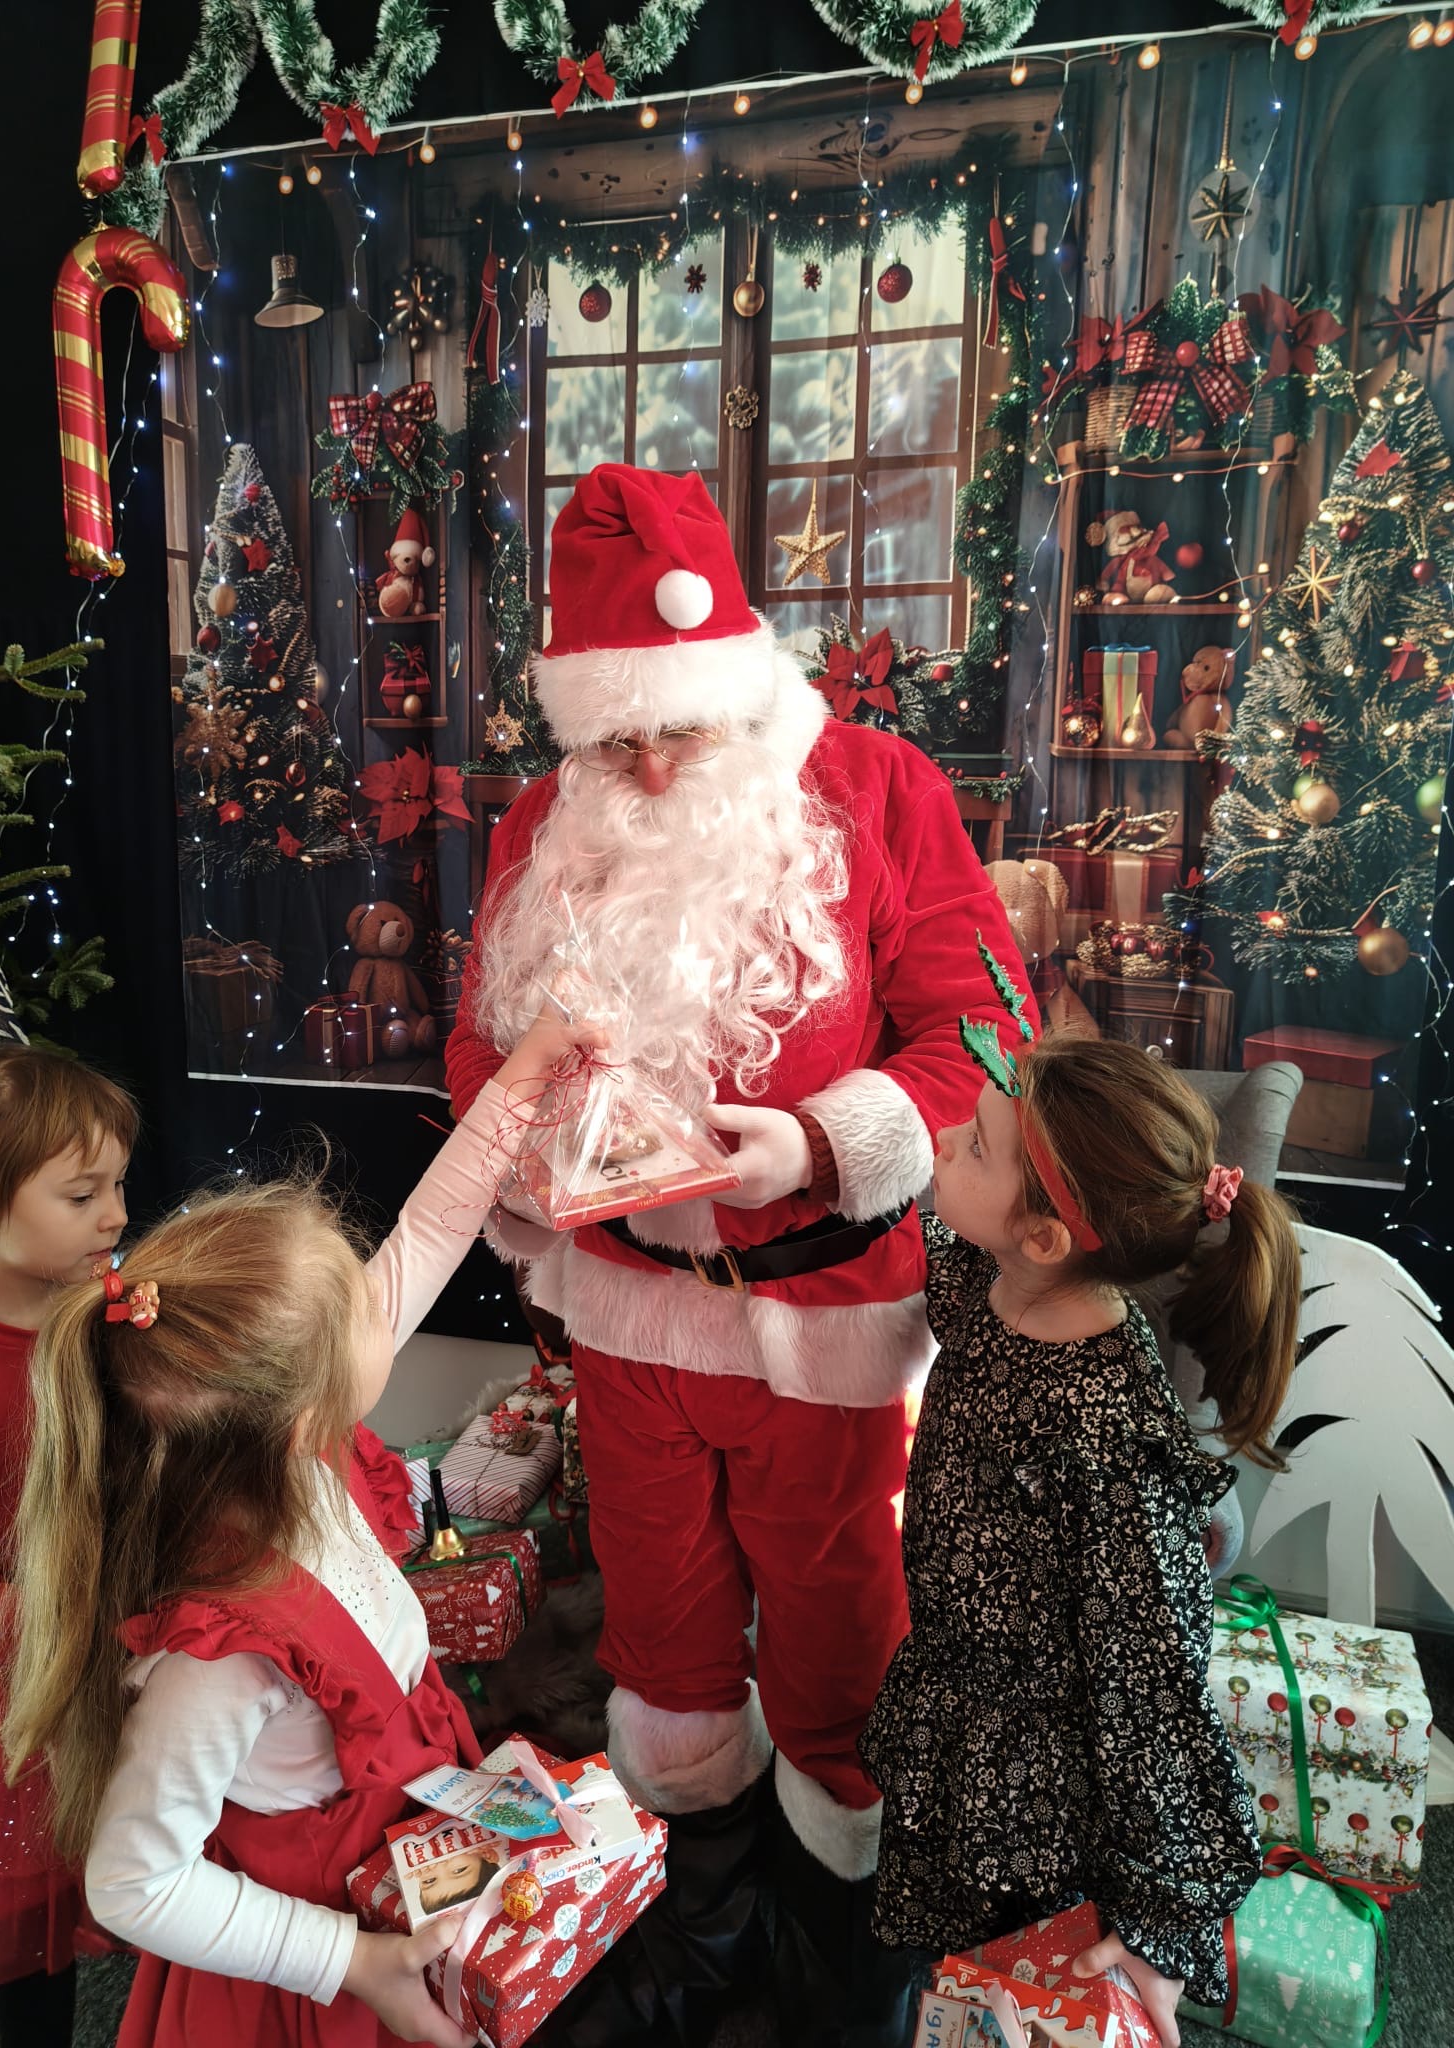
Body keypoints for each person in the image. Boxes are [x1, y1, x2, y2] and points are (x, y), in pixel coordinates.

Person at [444, 462, 1033, 2042]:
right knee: (663, 1634)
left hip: (827, 1319)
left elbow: (987, 1029)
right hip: (627, 1316)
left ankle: (841, 1950)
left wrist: (822, 1142)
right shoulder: (542, 823)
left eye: (679, 731)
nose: (645, 767)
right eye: (612, 739)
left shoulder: (880, 790)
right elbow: (476, 1042)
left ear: (742, 687)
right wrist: (527, 1154)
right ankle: (701, 1933)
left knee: (842, 1638)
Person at [0, 1010, 597, 2048]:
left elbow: (430, 1231)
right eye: (362, 1312)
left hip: (412, 1853)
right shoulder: (220, 1658)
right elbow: (134, 1879)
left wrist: (523, 1079)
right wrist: (348, 1961)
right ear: (306, 1411)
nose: (384, 1303)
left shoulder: (288, 1451)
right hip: (317, 1981)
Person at [859, 991, 1300, 2048]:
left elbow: (1152, 1685)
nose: (944, 1138)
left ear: (1049, 1234)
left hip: (1039, 1799)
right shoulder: (999, 1279)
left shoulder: (1108, 1438)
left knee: (1010, 2003)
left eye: (974, 1144)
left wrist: (1160, 1915)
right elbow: (942, 1230)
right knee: (949, 1993)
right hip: (961, 1722)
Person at [0, 1042, 139, 2048]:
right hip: (26, 1684)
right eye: (84, 1194)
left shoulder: (111, 1310)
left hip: (141, 1635)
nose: (117, 1215)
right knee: (33, 1919)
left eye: (119, 1185)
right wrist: (37, 1626)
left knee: (160, 1852)